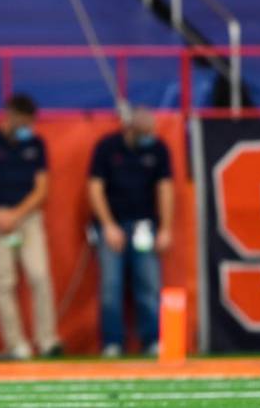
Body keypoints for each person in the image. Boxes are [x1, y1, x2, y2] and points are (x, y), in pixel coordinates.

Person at [0, 94, 62, 360]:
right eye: (25, 121)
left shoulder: (36, 144)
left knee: (39, 276)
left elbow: (42, 188)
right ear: (11, 115)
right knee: (3, 283)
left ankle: (47, 339)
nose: (28, 127)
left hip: (27, 219)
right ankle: (16, 344)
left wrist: (17, 214)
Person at [87, 108, 173, 358]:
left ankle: (153, 340)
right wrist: (108, 225)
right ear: (131, 129)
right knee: (111, 287)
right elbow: (95, 188)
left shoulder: (157, 148)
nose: (149, 137)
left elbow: (165, 189)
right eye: (144, 132)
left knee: (148, 284)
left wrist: (166, 228)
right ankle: (112, 342)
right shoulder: (108, 148)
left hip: (144, 225)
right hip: (112, 225)